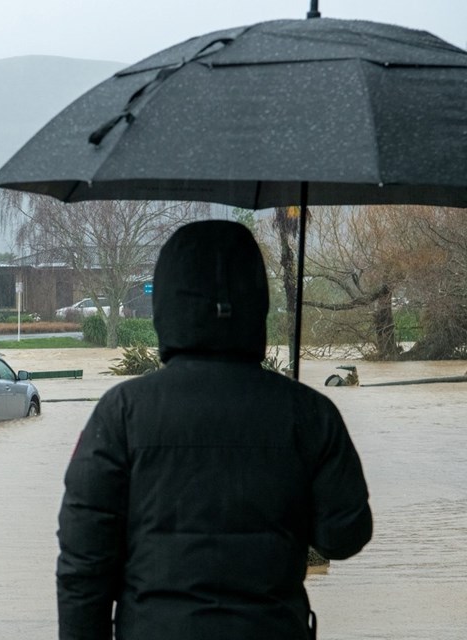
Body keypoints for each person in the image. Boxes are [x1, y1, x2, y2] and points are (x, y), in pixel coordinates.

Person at [56, 220, 372, 640]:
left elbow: (83, 564)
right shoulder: (309, 413)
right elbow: (344, 536)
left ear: (166, 305)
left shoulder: (121, 413)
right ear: (256, 301)